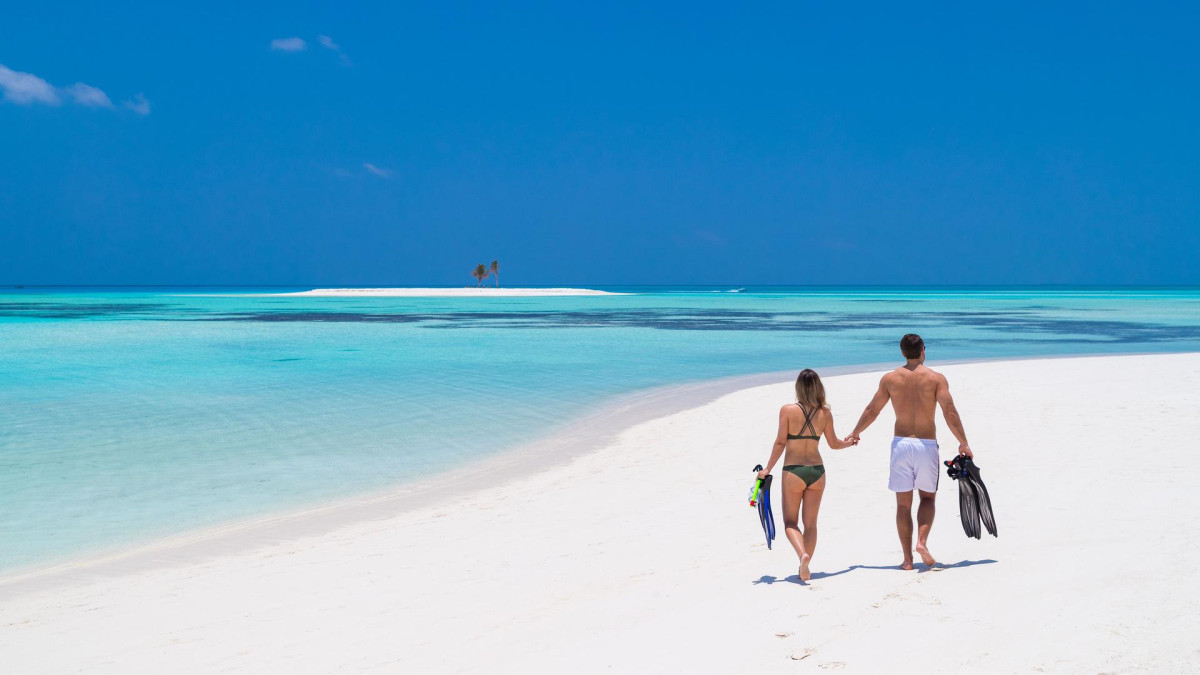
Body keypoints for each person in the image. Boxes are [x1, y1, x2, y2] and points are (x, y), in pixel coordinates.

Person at [845, 334, 972, 570]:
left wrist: (856, 432)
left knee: (903, 505)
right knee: (927, 498)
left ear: (902, 352)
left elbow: (873, 410)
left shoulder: (890, 379)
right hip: (926, 445)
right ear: (923, 350)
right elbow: (950, 413)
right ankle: (921, 542)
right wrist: (963, 442)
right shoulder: (936, 379)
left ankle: (907, 560)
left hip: (901, 445)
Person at [757, 369, 856, 581]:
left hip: (794, 471)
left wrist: (767, 469)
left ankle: (802, 555)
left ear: (798, 387)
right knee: (810, 524)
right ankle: (806, 564)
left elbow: (780, 442)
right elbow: (833, 443)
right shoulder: (825, 413)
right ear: (818, 387)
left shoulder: (787, 410)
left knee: (790, 523)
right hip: (817, 471)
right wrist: (849, 443)